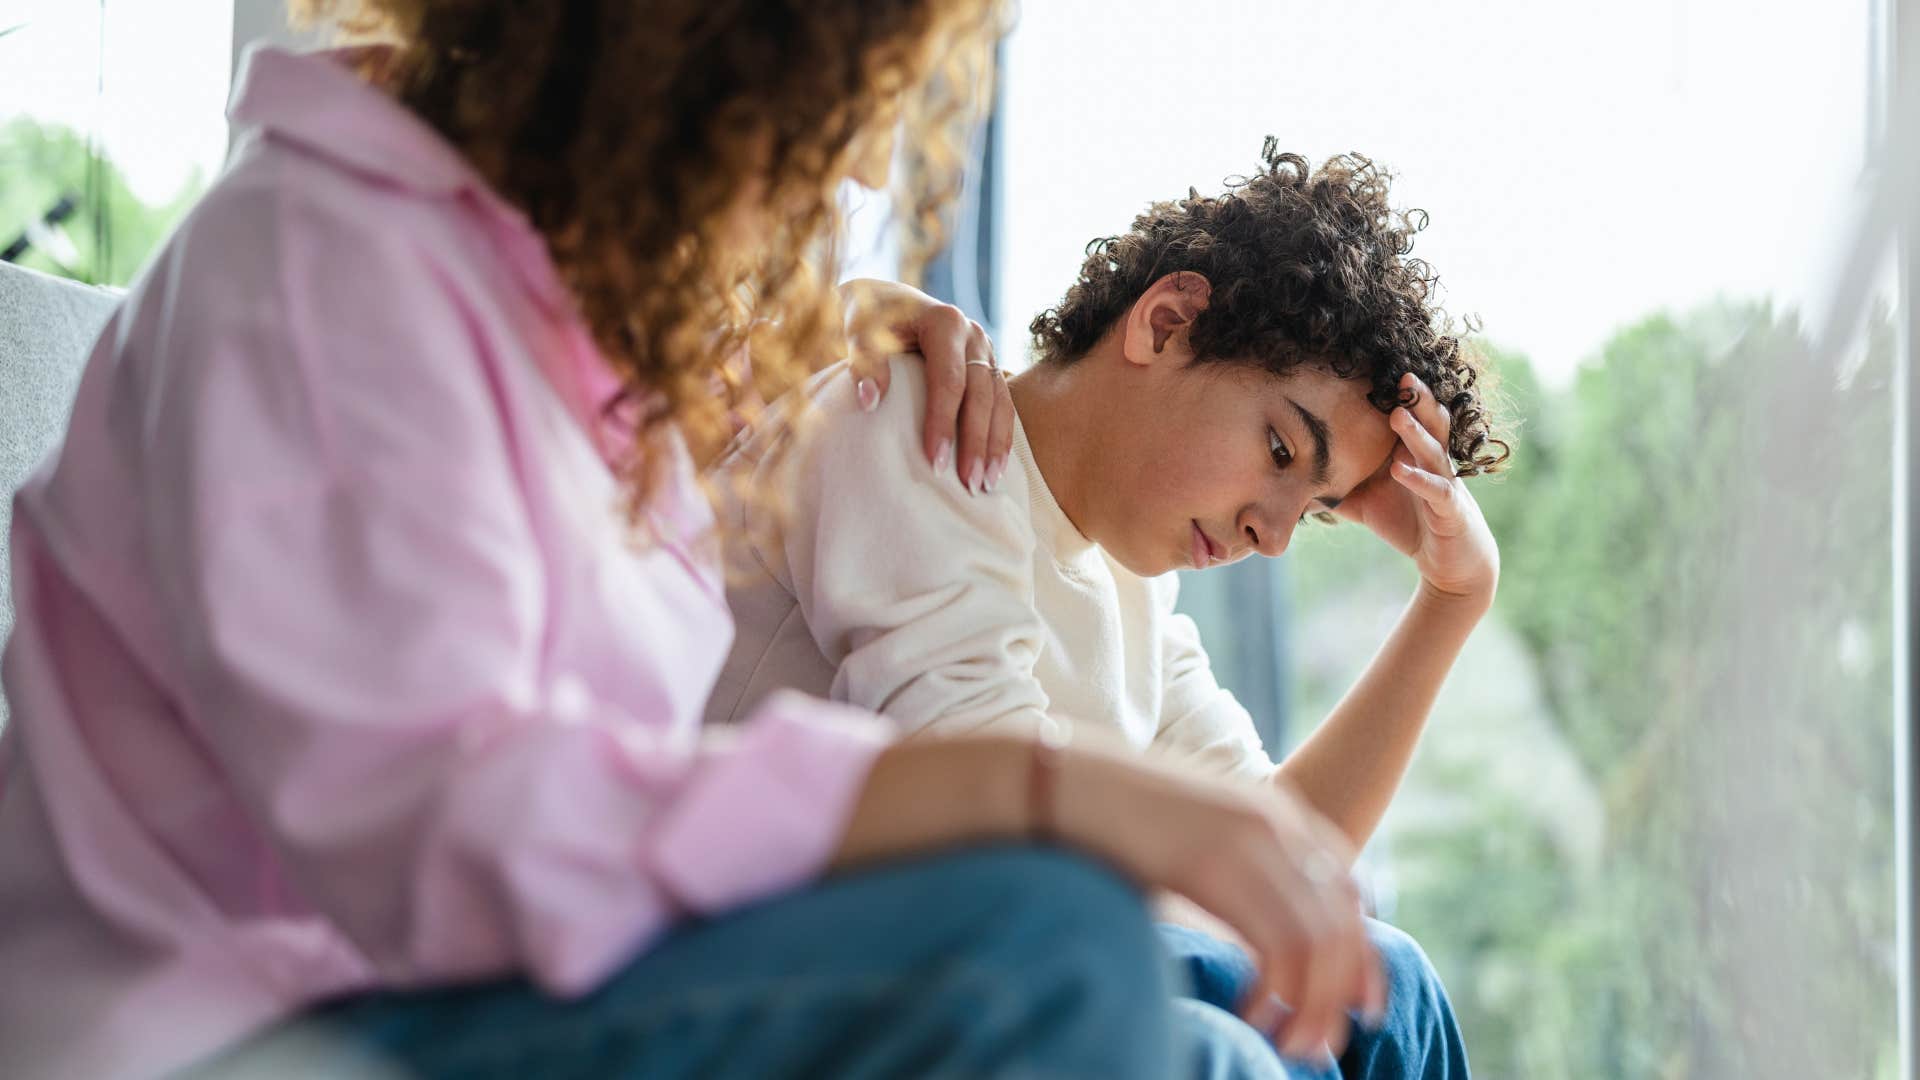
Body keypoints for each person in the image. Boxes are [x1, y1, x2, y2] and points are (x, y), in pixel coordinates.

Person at [0, 4, 1387, 1078]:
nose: (847, 164)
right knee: (1050, 950)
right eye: (835, 111)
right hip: (242, 1027)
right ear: (690, 58)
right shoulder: (320, 266)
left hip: (474, 980)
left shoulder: (563, 343)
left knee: (1242, 1010)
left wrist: (784, 321)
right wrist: (1042, 792)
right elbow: (457, 839)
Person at [709, 143, 1508, 1078]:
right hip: (782, 977)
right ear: (1165, 323)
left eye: (1317, 508)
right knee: (1231, 1034)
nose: (1275, 534)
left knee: (1392, 984)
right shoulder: (918, 417)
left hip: (972, 971)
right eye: (1283, 453)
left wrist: (1453, 601)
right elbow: (999, 859)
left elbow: (1281, 860)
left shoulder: (1134, 595)